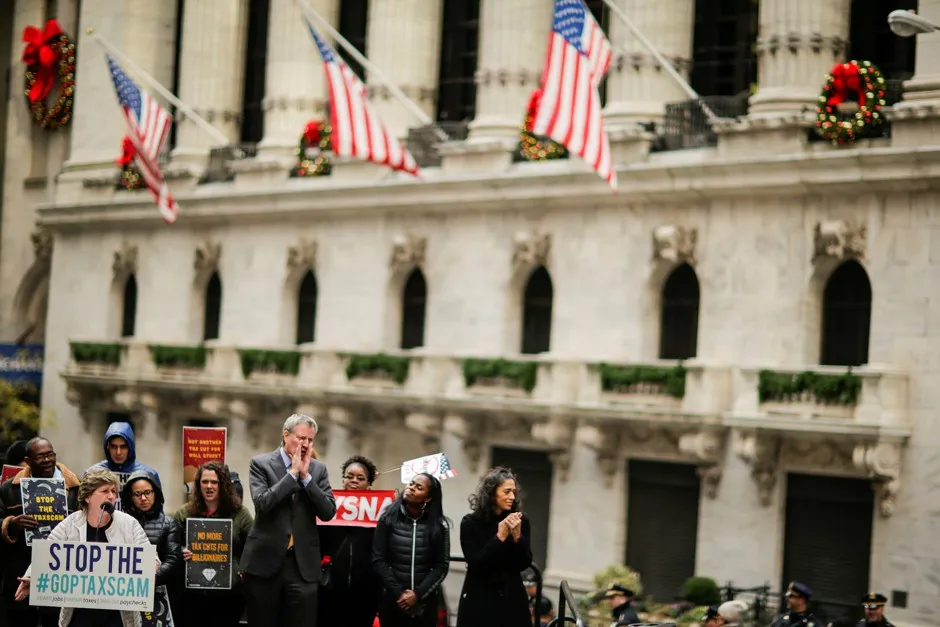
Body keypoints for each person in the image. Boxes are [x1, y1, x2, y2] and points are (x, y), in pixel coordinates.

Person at [14, 467, 156, 627]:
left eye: (114, 491)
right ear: (87, 497)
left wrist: (152, 566)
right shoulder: (71, 523)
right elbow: (47, 553)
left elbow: (150, 560)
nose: (111, 496)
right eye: (105, 491)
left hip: (118, 616)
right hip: (79, 614)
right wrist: (32, 577)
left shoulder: (129, 524)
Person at [241, 413, 337, 627]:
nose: (306, 444)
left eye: (310, 440)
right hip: (265, 562)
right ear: (286, 435)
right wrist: (292, 474)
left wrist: (306, 478)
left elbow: (329, 511)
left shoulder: (318, 470)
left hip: (302, 564)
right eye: (301, 438)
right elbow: (263, 504)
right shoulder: (261, 464)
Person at [0, 437, 80, 627]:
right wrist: (11, 524)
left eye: (50, 455)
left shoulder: (75, 488)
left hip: (59, 574)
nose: (47, 460)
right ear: (27, 461)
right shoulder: (9, 488)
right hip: (20, 572)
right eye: (40, 457)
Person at [174, 461, 253, 627]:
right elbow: (172, 545)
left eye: (214, 482)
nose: (209, 486)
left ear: (223, 485)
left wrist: (240, 572)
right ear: (198, 484)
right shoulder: (184, 513)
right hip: (193, 595)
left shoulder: (240, 513)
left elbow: (253, 547)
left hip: (228, 596)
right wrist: (181, 551)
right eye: (204, 482)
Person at [456, 467, 532, 627]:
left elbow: (524, 563)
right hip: (480, 599)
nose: (512, 497)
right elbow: (477, 565)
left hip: (512, 598)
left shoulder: (520, 520)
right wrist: (500, 537)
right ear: (491, 493)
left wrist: (518, 537)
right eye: (506, 492)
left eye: (514, 492)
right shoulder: (470, 523)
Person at [373, 472, 450, 627]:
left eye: (419, 487)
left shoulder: (439, 526)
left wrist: (417, 594)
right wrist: (400, 594)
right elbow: (378, 559)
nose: (411, 488)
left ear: (428, 498)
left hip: (425, 603)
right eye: (411, 483)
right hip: (392, 600)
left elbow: (441, 565)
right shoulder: (387, 518)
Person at [318, 456, 383, 627]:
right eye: (349, 476)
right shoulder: (328, 505)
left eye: (360, 478)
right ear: (343, 479)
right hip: (331, 587)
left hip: (365, 590)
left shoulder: (382, 510)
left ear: (369, 484)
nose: (354, 481)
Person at [120, 471, 182, 609]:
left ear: (155, 493)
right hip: (126, 591)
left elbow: (173, 559)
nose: (143, 498)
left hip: (159, 592)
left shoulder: (169, 523)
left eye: (147, 492)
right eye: (137, 494)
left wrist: (150, 578)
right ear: (130, 497)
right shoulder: (120, 522)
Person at [88, 421, 162, 488]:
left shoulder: (148, 475)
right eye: (114, 447)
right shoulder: (93, 473)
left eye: (123, 447)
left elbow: (157, 502)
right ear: (108, 447)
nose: (118, 452)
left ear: (130, 447)